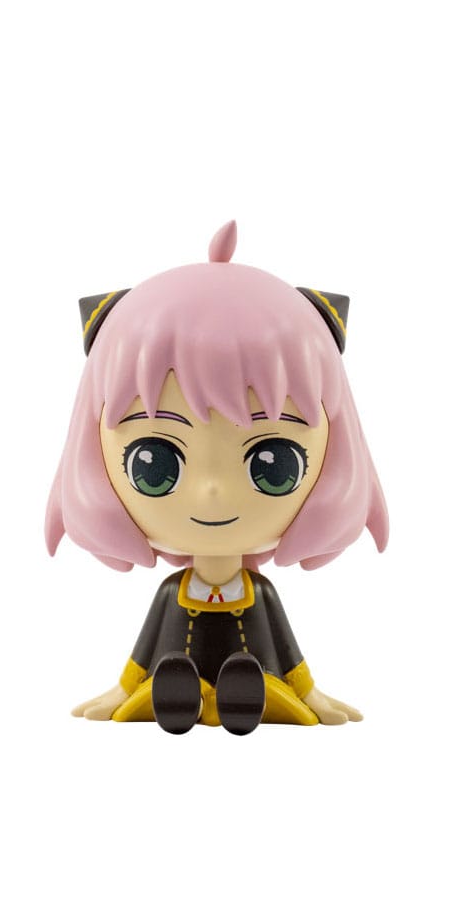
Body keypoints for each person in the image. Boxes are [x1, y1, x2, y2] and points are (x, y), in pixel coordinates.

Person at [45, 221, 388, 734]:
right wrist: (121, 691)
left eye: (273, 465)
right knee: (169, 669)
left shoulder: (259, 595)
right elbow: (140, 657)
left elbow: (290, 658)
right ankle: (182, 690)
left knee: (256, 675)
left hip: (259, 678)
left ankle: (241, 690)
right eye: (154, 465)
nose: (212, 492)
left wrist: (310, 694)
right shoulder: (172, 594)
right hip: (172, 674)